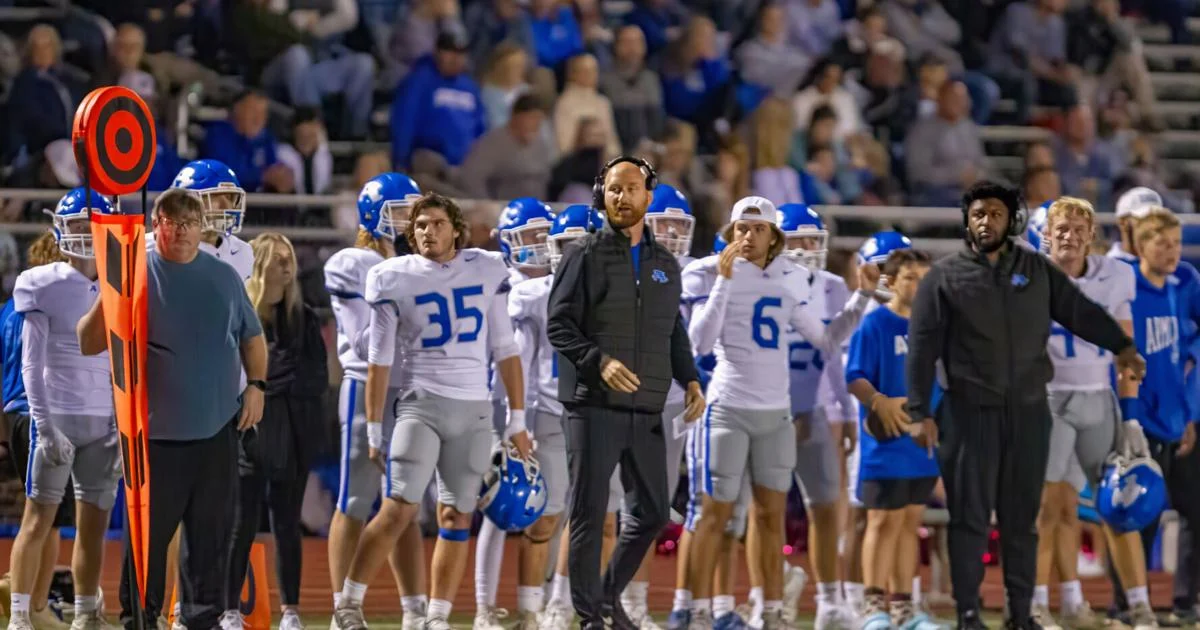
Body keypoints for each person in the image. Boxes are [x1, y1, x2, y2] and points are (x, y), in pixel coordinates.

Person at [904, 180, 1146, 630]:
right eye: (977, 213)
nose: (985, 221)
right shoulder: (945, 275)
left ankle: (1021, 615)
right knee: (970, 519)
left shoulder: (1037, 270)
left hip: (1030, 412)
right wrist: (919, 412)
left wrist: (1122, 346)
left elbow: (1079, 311)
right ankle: (970, 614)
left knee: (1022, 521)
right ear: (966, 221)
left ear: (1012, 220)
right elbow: (921, 348)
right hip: (968, 413)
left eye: (995, 213)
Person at [332, 193, 531, 630]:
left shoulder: (486, 266)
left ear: (456, 229)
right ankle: (348, 603)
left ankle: (437, 616)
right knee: (398, 507)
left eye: (436, 223)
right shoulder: (393, 276)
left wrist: (516, 419)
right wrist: (373, 429)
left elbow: (505, 348)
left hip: (475, 408)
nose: (427, 231)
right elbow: (379, 360)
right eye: (420, 225)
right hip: (420, 404)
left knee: (457, 513)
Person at [681, 196, 879, 630]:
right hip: (728, 407)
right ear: (731, 233)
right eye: (741, 229)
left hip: (776, 414)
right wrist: (724, 282)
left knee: (771, 516)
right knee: (713, 515)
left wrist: (862, 297)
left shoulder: (790, 279)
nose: (748, 237)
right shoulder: (716, 273)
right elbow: (698, 341)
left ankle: (769, 610)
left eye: (757, 229)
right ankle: (693, 611)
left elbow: (826, 341)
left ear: (774, 237)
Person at [79, 187, 269, 630]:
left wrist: (257, 385)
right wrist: (111, 283)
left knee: (210, 538)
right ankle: (140, 620)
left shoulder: (223, 277)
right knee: (146, 541)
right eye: (172, 221)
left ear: (202, 228)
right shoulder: (135, 270)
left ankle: (199, 619)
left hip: (217, 432)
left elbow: (252, 338)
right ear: (156, 224)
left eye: (189, 222)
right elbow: (88, 342)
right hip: (154, 436)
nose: (181, 231)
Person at [546, 156, 705, 630]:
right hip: (593, 407)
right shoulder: (583, 254)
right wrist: (600, 362)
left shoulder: (664, 263)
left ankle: (608, 598)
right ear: (602, 195)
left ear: (647, 196)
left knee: (655, 512)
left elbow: (671, 329)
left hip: (647, 406)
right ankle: (590, 617)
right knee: (590, 514)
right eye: (614, 189)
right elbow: (558, 324)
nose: (622, 197)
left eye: (631, 188)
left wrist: (691, 378)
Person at [1025, 197, 1157, 630]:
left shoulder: (1115, 276)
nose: (1069, 237)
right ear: (1042, 237)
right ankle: (1041, 603)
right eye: (1060, 229)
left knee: (1119, 504)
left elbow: (1126, 349)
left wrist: (1132, 413)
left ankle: (1140, 605)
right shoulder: (1024, 278)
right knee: (1049, 508)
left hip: (1099, 398)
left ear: (1093, 235)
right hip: (1048, 400)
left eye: (1079, 228)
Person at [8, 189, 119, 630]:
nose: (86, 235)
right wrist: (44, 423)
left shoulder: (123, 278)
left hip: (104, 419)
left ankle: (87, 612)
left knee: (94, 526)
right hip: (58, 413)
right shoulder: (42, 282)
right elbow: (30, 362)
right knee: (38, 519)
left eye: (92, 225)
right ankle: (19, 614)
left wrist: (120, 418)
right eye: (76, 225)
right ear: (60, 228)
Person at [323, 172, 427, 630]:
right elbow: (366, 341)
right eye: (399, 212)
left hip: (409, 391)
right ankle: (342, 607)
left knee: (404, 506)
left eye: (413, 211)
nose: (409, 222)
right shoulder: (352, 262)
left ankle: (415, 609)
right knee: (355, 499)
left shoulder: (417, 262)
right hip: (367, 387)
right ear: (375, 215)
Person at [227, 233, 329, 630]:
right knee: (242, 523)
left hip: (294, 434)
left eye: (289, 259)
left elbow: (315, 377)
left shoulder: (303, 317)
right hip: (247, 432)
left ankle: (291, 610)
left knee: (287, 522)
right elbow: (236, 375)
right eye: (278, 259)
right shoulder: (241, 313)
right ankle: (230, 608)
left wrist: (265, 379)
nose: (288, 266)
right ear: (260, 265)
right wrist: (271, 377)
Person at [1111, 208, 1200, 628]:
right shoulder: (1128, 291)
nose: (1171, 252)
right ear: (1140, 245)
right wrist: (1131, 419)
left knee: (1194, 510)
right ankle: (1126, 604)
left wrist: (1189, 415)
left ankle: (1184, 602)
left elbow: (1187, 351)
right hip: (1140, 421)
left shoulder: (1182, 285)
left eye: (1176, 243)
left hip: (1176, 419)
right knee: (1136, 514)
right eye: (1161, 243)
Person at [845, 248, 940, 630]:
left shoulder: (935, 327)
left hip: (921, 439)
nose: (919, 285)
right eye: (911, 277)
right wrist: (879, 401)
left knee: (910, 520)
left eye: (925, 278)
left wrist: (938, 419)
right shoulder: (875, 324)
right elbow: (855, 375)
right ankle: (873, 604)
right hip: (884, 439)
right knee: (881, 521)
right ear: (891, 282)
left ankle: (903, 605)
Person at [474, 196, 557, 630]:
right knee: (498, 503)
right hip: (492, 401)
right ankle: (485, 608)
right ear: (506, 241)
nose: (538, 245)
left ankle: (535, 605)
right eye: (527, 237)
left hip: (533, 404)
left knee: (542, 504)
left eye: (544, 236)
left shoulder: (549, 287)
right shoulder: (496, 277)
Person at [621, 183, 698, 630]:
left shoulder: (697, 271)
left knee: (648, 511)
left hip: (669, 404)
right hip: (619, 402)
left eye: (677, 223)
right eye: (662, 221)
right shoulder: (615, 265)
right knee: (600, 506)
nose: (669, 231)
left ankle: (634, 603)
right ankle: (564, 600)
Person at [777, 203, 854, 630]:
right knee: (764, 509)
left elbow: (838, 357)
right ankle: (765, 594)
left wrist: (845, 410)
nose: (807, 248)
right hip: (768, 407)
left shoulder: (832, 285)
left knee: (825, 506)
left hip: (817, 407)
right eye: (798, 240)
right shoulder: (762, 282)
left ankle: (830, 600)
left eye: (813, 240)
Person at [0, 231, 72, 630]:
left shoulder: (7, 311)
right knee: (46, 519)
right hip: (44, 414)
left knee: (39, 517)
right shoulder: (51, 307)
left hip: (15, 417)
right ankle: (35, 602)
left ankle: (21, 589)